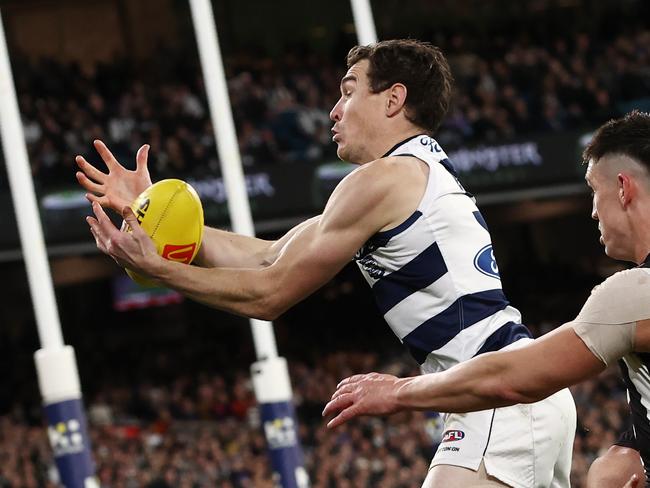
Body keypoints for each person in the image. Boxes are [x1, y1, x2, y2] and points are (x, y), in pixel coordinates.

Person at [76, 39, 576, 488]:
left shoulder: (383, 179)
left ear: (393, 99)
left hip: (492, 395)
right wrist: (151, 218)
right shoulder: (408, 175)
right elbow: (269, 256)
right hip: (508, 392)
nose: (333, 110)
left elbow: (269, 294)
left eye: (348, 91)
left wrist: (160, 270)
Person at [323, 110, 650, 486]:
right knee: (611, 471)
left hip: (501, 396)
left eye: (594, 190)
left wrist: (398, 391)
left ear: (623, 188)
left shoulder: (634, 294)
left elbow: (513, 379)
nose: (593, 210)